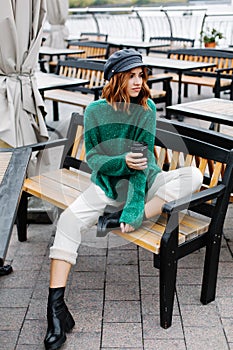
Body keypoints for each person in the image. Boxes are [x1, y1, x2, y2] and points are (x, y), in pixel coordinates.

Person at [44, 48, 203, 350]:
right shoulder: (95, 112)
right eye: (131, 75)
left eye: (140, 75)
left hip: (145, 185)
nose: (138, 81)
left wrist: (134, 212)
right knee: (67, 221)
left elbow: (142, 167)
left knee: (193, 177)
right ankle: (55, 310)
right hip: (107, 185)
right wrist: (121, 162)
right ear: (115, 78)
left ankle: (131, 216)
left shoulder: (147, 109)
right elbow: (93, 157)